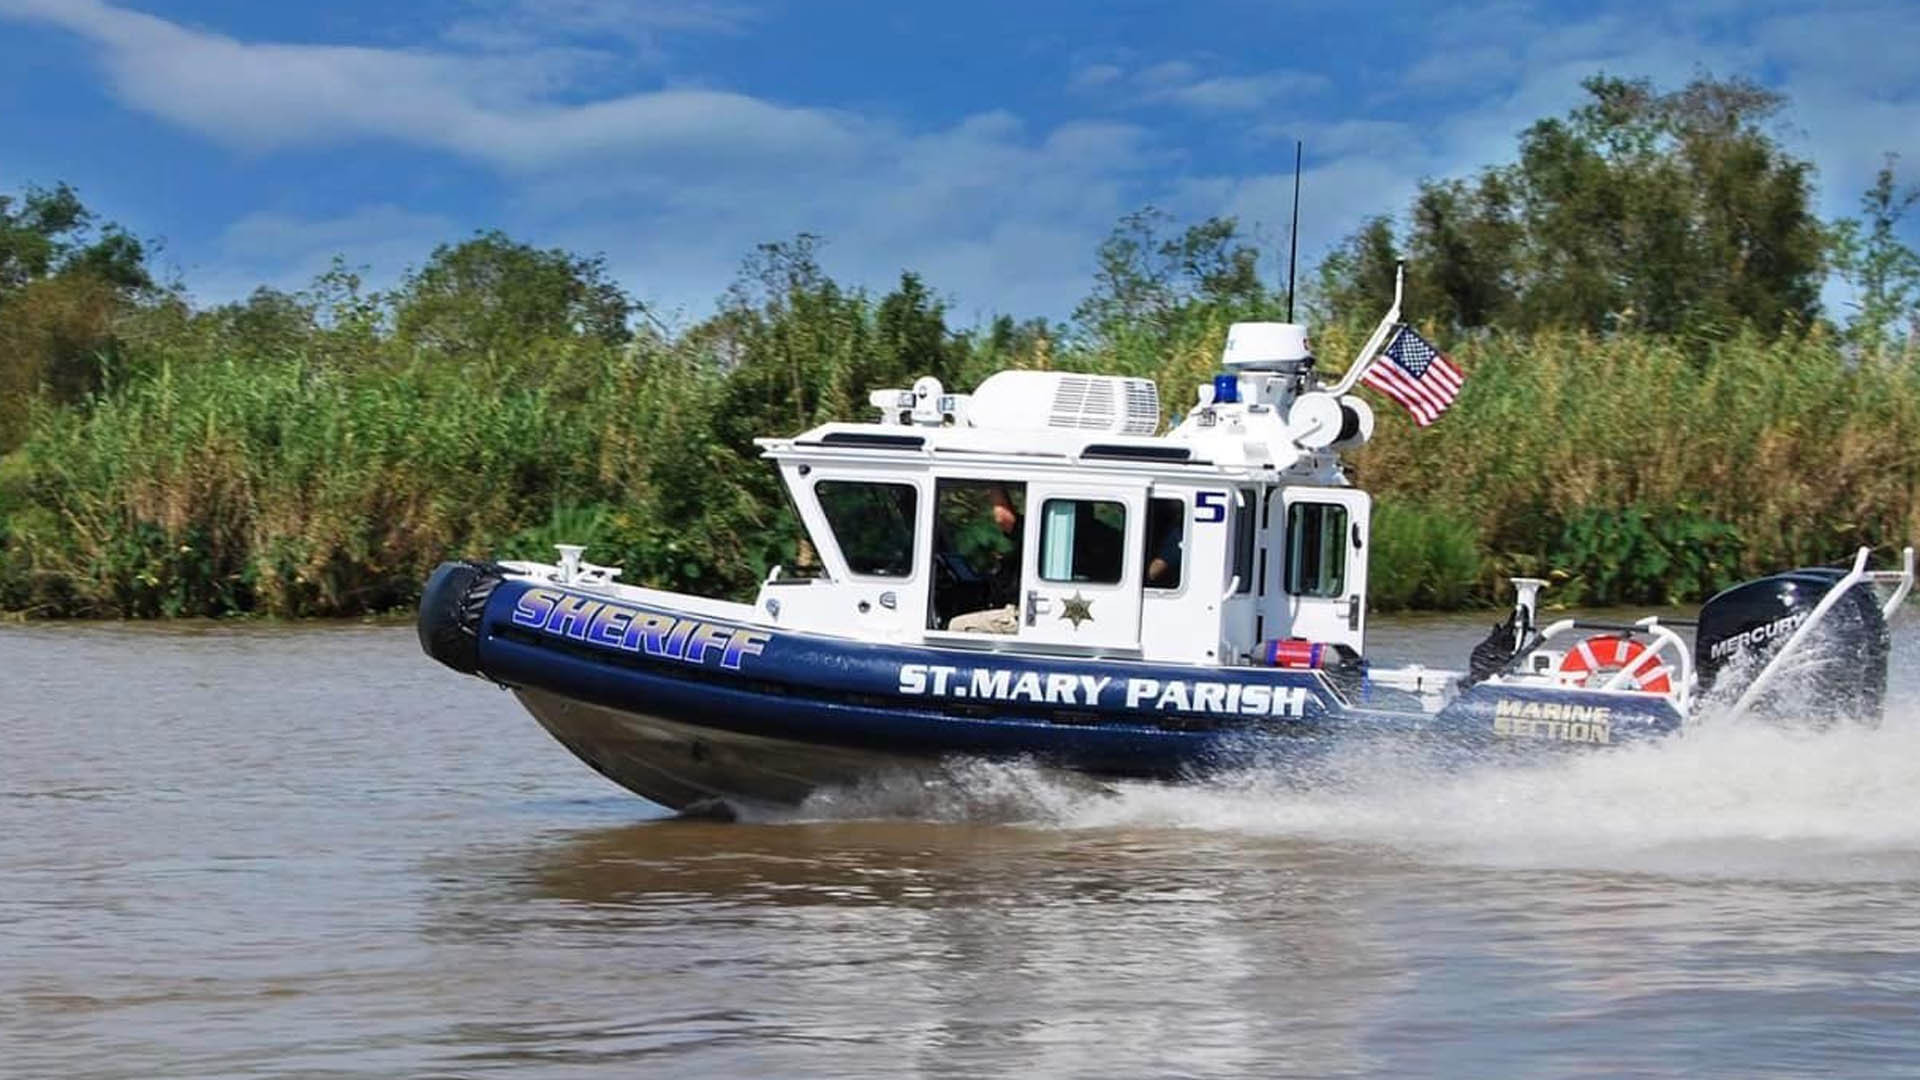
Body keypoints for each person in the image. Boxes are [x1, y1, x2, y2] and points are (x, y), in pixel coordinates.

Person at [948, 484, 1022, 633]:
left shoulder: (1030, 530)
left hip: (1018, 614)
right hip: (1011, 607)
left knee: (956, 626)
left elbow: (1003, 517)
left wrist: (992, 482)